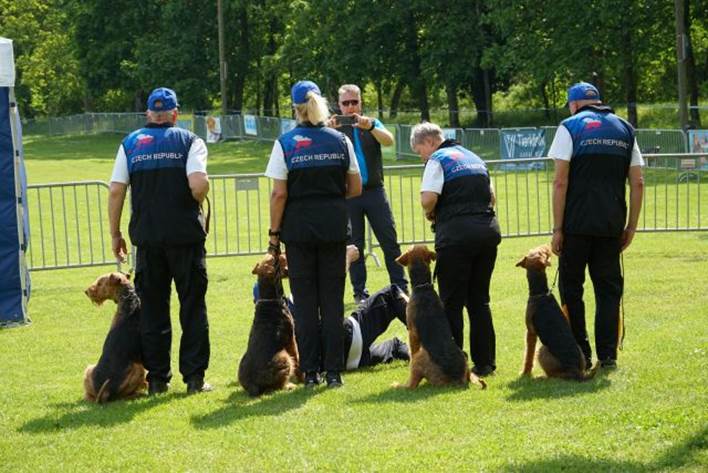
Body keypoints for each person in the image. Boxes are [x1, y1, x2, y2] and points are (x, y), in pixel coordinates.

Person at [108, 87, 212, 395]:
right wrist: (202, 194)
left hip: (148, 240)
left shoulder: (131, 144)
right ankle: (194, 378)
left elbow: (116, 190)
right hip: (185, 239)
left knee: (153, 310)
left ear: (148, 114)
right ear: (176, 114)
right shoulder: (191, 141)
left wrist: (115, 233)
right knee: (192, 307)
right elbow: (197, 185)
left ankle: (156, 380)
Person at [265, 80, 362, 388]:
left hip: (298, 231)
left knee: (305, 304)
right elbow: (356, 187)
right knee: (333, 302)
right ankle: (334, 373)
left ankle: (310, 373)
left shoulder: (285, 143)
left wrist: (273, 236)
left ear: (295, 108)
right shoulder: (340, 140)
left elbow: (279, 195)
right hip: (334, 228)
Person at [549, 82, 644, 369]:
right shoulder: (625, 129)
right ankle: (608, 356)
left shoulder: (570, 127)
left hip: (575, 226)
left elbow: (560, 181)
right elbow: (637, 182)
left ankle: (580, 353)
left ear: (575, 104)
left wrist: (557, 229)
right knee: (607, 292)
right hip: (610, 226)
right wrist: (631, 227)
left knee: (572, 290)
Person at [410, 122, 501, 377]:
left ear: (429, 142)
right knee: (479, 301)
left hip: (456, 237)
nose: (421, 157)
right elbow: (491, 197)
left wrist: (431, 213)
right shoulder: (473, 157)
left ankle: (451, 364)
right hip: (487, 232)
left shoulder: (437, 160)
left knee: (451, 302)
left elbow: (428, 198)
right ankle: (485, 364)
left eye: (419, 151)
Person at [253, 246, 410, 371]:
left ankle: (411, 352)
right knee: (392, 293)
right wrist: (347, 257)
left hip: (341, 362)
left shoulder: (267, 333)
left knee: (394, 347)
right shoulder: (294, 305)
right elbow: (332, 284)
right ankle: (432, 341)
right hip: (344, 340)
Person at [328, 84, 407, 304]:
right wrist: (327, 128)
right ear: (339, 105)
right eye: (346, 103)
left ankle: (400, 286)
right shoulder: (332, 127)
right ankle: (360, 292)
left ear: (361, 102)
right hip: (348, 194)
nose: (351, 107)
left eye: (355, 102)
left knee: (389, 240)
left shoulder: (371, 123)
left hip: (374, 191)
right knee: (355, 245)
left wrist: (370, 126)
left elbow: (389, 140)